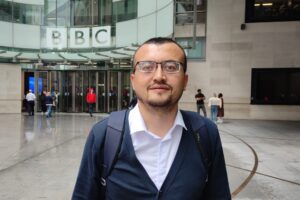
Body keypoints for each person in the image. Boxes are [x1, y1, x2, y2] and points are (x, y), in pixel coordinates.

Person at [72, 37, 231, 199]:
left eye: (171, 67)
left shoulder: (205, 133)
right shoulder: (104, 135)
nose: (159, 76)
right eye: (147, 67)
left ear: (185, 80)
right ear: (133, 81)